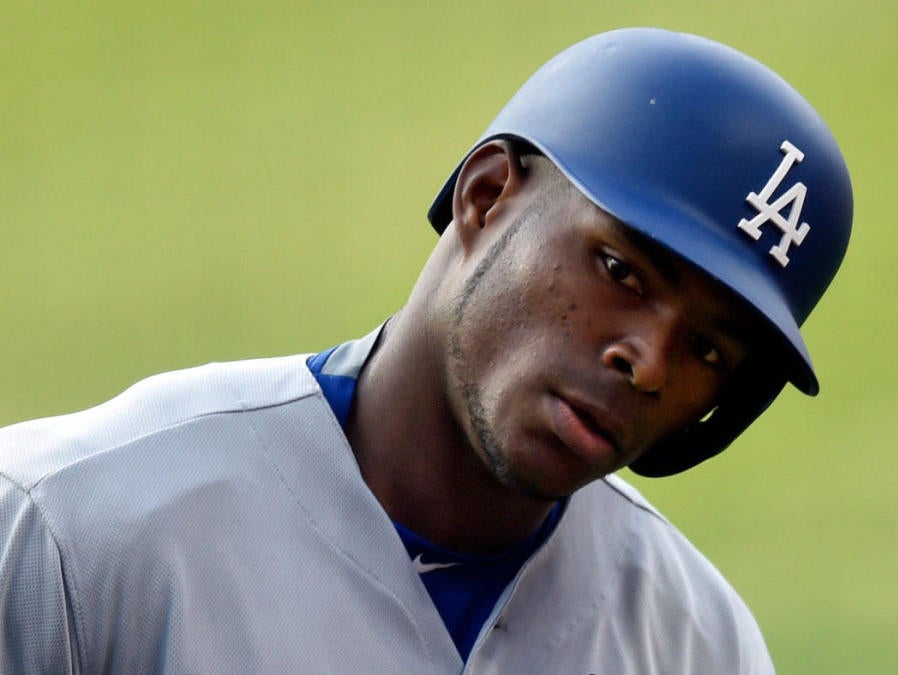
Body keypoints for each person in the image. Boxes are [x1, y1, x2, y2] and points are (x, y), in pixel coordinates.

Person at [0, 27, 852, 673]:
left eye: (707, 346)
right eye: (621, 268)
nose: (651, 362)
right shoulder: (72, 527)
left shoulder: (694, 640)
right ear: (487, 197)